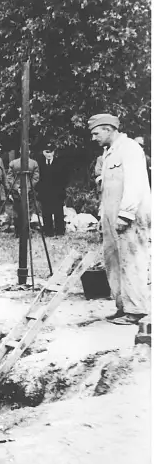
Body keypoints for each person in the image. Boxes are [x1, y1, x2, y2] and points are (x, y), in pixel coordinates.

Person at [89, 113, 151, 328]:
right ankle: (122, 306)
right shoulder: (108, 153)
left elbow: (135, 184)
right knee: (113, 261)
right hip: (111, 217)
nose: (94, 137)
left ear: (108, 129)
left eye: (96, 133)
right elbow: (106, 189)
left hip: (130, 218)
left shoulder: (130, 149)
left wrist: (125, 214)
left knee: (131, 261)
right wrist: (102, 215)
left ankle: (136, 310)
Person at [36, 142, 69, 236]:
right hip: (45, 193)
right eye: (47, 152)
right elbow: (38, 178)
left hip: (57, 193)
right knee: (46, 213)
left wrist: (61, 189)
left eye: (51, 152)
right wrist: (40, 189)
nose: (49, 154)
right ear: (43, 152)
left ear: (54, 152)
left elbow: (65, 178)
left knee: (58, 212)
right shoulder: (40, 164)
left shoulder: (60, 163)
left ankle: (60, 231)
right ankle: (48, 231)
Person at [7, 150, 40, 237]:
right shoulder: (14, 163)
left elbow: (35, 178)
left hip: (28, 191)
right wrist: (17, 187)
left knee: (27, 211)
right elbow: (9, 177)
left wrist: (27, 188)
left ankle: (26, 231)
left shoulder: (33, 163)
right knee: (17, 211)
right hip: (17, 191)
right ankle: (18, 232)